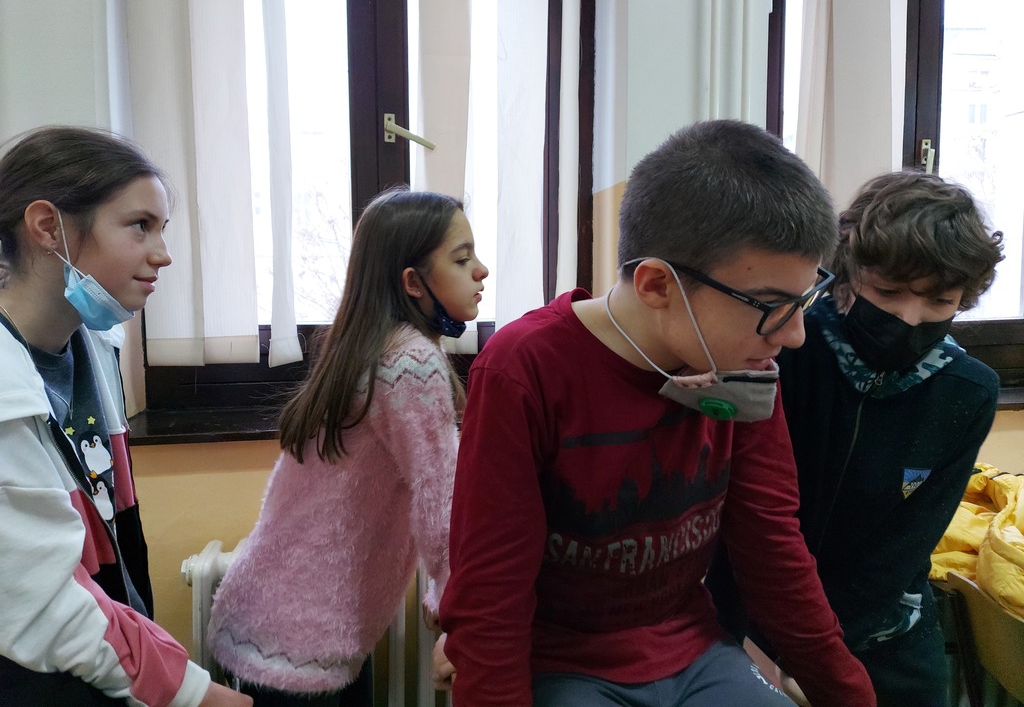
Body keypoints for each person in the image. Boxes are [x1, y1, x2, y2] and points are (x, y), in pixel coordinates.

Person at [437, 119, 877, 707]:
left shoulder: (742, 360)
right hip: (562, 662)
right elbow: (490, 596)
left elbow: (773, 549)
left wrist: (850, 695)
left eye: (803, 301)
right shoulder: (526, 368)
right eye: (771, 306)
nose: (794, 335)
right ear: (656, 285)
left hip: (692, 650)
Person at [707, 171, 1004, 707]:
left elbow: (905, 547)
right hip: (751, 622)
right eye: (888, 292)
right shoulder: (784, 352)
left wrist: (825, 661)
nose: (908, 318)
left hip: (884, 631)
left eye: (939, 302)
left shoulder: (967, 391)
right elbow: (741, 519)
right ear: (848, 271)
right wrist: (770, 645)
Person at [207, 188, 488, 706]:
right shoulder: (411, 363)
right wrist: (458, 606)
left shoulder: (364, 349)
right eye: (462, 258)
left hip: (276, 617)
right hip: (305, 637)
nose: (481, 270)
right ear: (413, 282)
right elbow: (441, 503)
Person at [0, 126, 251, 706]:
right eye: (140, 225)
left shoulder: (93, 346)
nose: (162, 254)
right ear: (48, 227)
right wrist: (190, 692)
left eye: (162, 229)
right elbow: (45, 603)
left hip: (102, 667)